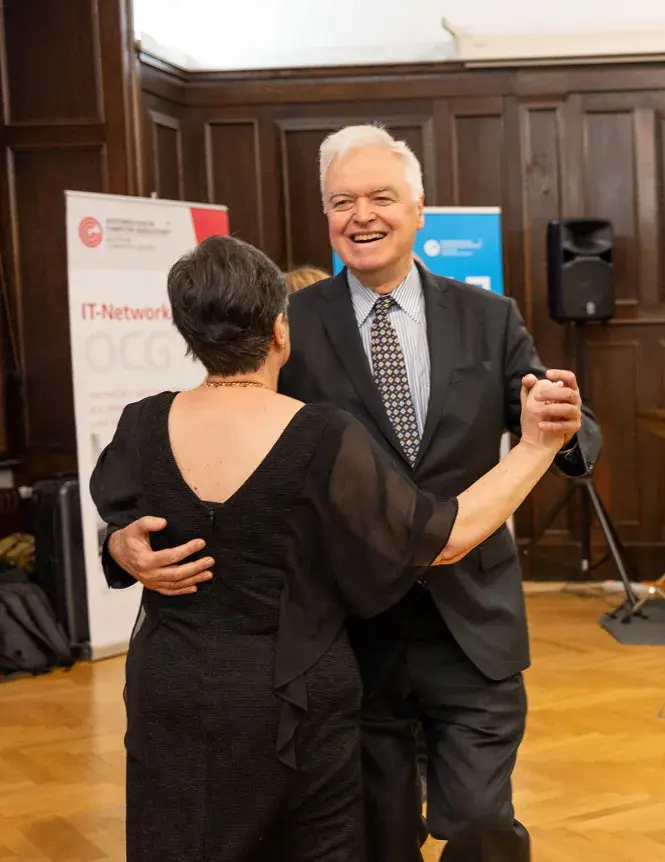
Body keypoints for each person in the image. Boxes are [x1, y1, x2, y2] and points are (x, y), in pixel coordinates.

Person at [101, 123, 602, 861]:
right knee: (377, 838)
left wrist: (566, 426)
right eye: (342, 201)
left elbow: (561, 425)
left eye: (379, 197)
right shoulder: (284, 326)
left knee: (479, 825)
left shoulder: (489, 317)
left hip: (472, 624)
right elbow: (215, 462)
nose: (360, 214)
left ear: (419, 209)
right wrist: (121, 545)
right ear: (326, 216)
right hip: (347, 639)